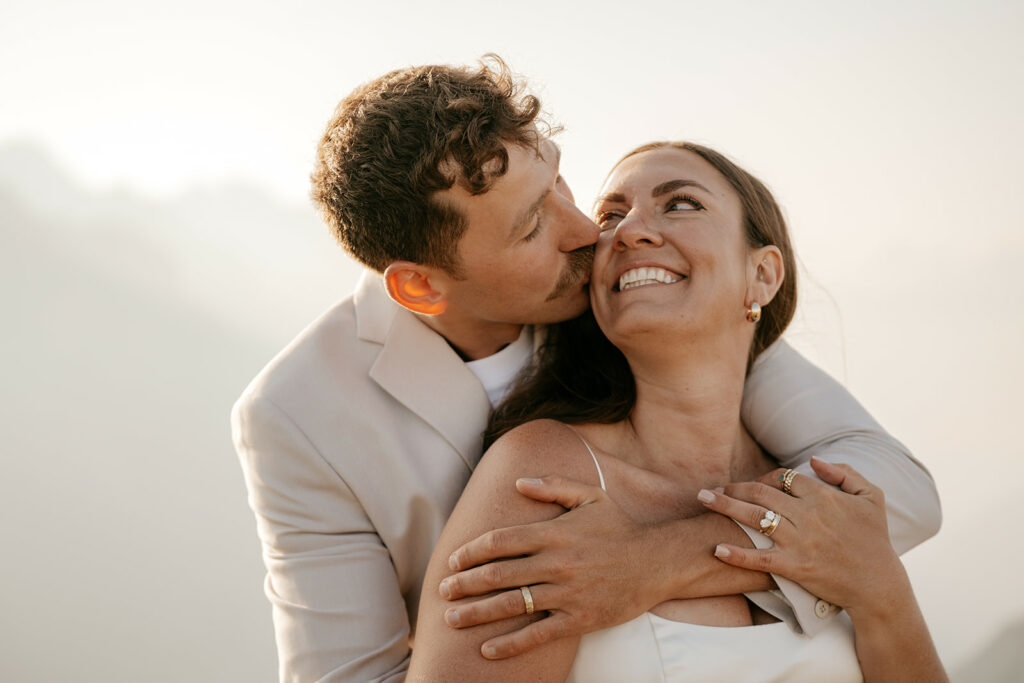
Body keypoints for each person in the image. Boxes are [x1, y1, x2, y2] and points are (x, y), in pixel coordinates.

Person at [231, 58, 941, 682]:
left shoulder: (646, 302)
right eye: (533, 225)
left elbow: (900, 490)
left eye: (561, 184)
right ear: (421, 287)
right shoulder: (302, 413)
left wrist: (653, 562)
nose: (588, 231)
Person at [407, 141, 946, 681]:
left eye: (682, 203)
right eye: (611, 216)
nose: (629, 230)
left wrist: (882, 589)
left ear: (763, 276)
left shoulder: (826, 502)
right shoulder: (544, 477)